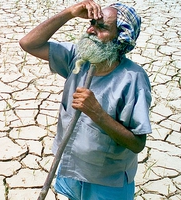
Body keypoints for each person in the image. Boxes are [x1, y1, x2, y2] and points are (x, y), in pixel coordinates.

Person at [19, 0, 152, 199]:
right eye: (91, 24)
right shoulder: (78, 58)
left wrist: (97, 113)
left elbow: (137, 143)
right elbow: (28, 43)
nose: (91, 30)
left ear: (121, 38)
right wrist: (69, 12)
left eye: (102, 27)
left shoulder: (133, 79)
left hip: (107, 181)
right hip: (70, 166)